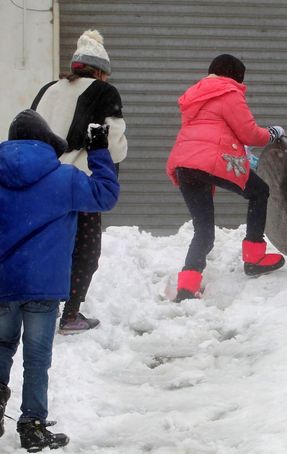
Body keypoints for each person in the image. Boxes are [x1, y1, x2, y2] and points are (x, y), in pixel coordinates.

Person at [0, 110, 119, 451]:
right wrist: (98, 150)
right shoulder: (63, 178)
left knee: (1, 346)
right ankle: (32, 425)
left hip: (2, 282)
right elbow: (105, 195)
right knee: (37, 357)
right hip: (43, 284)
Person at [166, 54, 286, 302]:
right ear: (236, 76)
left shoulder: (195, 95)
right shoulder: (229, 93)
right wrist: (273, 133)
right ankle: (254, 257)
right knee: (259, 191)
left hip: (184, 163)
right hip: (211, 161)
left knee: (203, 229)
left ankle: (187, 286)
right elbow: (250, 134)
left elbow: (211, 130)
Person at [31, 29, 128, 334]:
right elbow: (113, 144)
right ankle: (70, 314)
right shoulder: (104, 93)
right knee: (85, 250)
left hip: (42, 183)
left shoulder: (48, 89)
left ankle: (38, 308)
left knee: (48, 246)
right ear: (101, 71)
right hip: (80, 183)